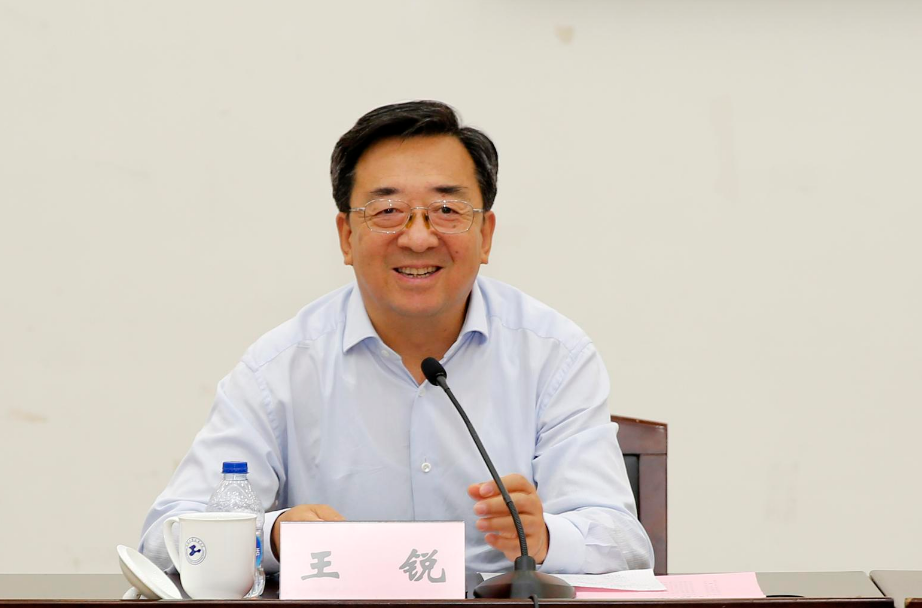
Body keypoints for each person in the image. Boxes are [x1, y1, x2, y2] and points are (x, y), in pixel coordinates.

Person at [139, 101, 653, 576]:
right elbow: (167, 541)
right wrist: (273, 537)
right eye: (387, 212)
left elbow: (624, 543)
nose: (419, 236)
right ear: (347, 236)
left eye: (447, 210)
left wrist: (545, 538)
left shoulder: (553, 356)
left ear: (486, 234)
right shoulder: (280, 368)